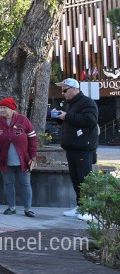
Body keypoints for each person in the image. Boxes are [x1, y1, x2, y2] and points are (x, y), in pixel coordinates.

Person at [54, 78, 99, 221]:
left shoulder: (87, 102)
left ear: (74, 89)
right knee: (75, 178)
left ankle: (89, 210)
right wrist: (60, 118)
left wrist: (67, 116)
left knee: (84, 178)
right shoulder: (70, 105)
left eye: (65, 90)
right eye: (62, 90)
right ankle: (80, 206)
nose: (63, 93)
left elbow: (90, 120)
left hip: (83, 148)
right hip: (72, 147)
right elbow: (71, 121)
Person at [0, 97, 38, 217]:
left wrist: (33, 156)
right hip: (5, 160)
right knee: (8, 183)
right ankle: (11, 207)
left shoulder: (23, 120)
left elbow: (32, 138)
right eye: (0, 108)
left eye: (4, 107)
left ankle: (28, 208)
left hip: (23, 160)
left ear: (12, 108)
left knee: (25, 184)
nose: (2, 110)